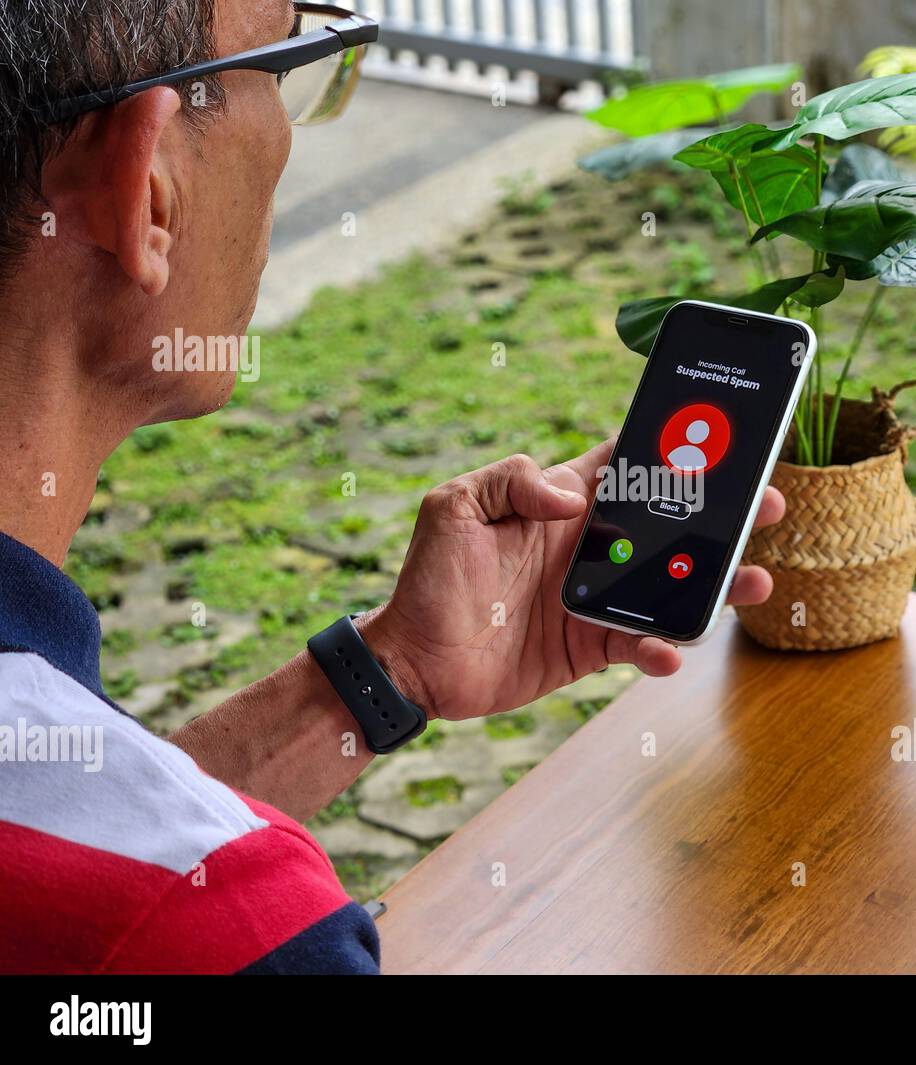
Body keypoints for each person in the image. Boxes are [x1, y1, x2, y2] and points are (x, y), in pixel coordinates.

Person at [0, 0, 784, 974]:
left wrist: (388, 671)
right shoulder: (238, 937)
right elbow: (138, 891)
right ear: (146, 190)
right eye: (287, 67)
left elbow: (75, 830)